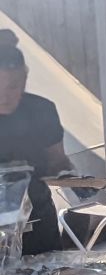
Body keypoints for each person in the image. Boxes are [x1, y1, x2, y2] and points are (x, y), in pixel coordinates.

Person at [0, 30, 69, 254]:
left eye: (12, 86)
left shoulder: (42, 110)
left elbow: (57, 160)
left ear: (25, 79)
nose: (4, 97)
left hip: (38, 219)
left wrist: (72, 177)